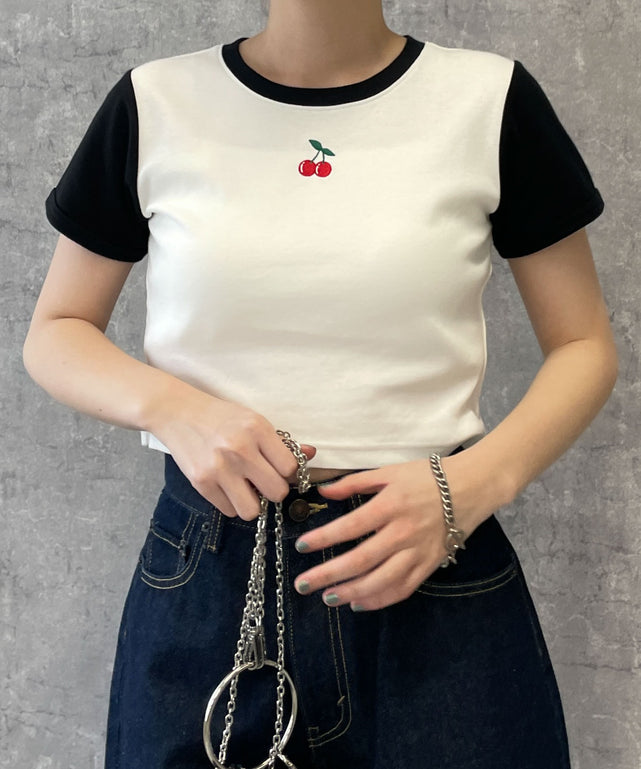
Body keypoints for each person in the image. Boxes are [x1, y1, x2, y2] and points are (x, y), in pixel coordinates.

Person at [23, 0, 618, 767]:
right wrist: (173, 408)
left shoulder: (488, 99)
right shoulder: (155, 101)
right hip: (211, 569)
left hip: (432, 563)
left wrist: (472, 485)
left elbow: (582, 343)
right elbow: (57, 329)